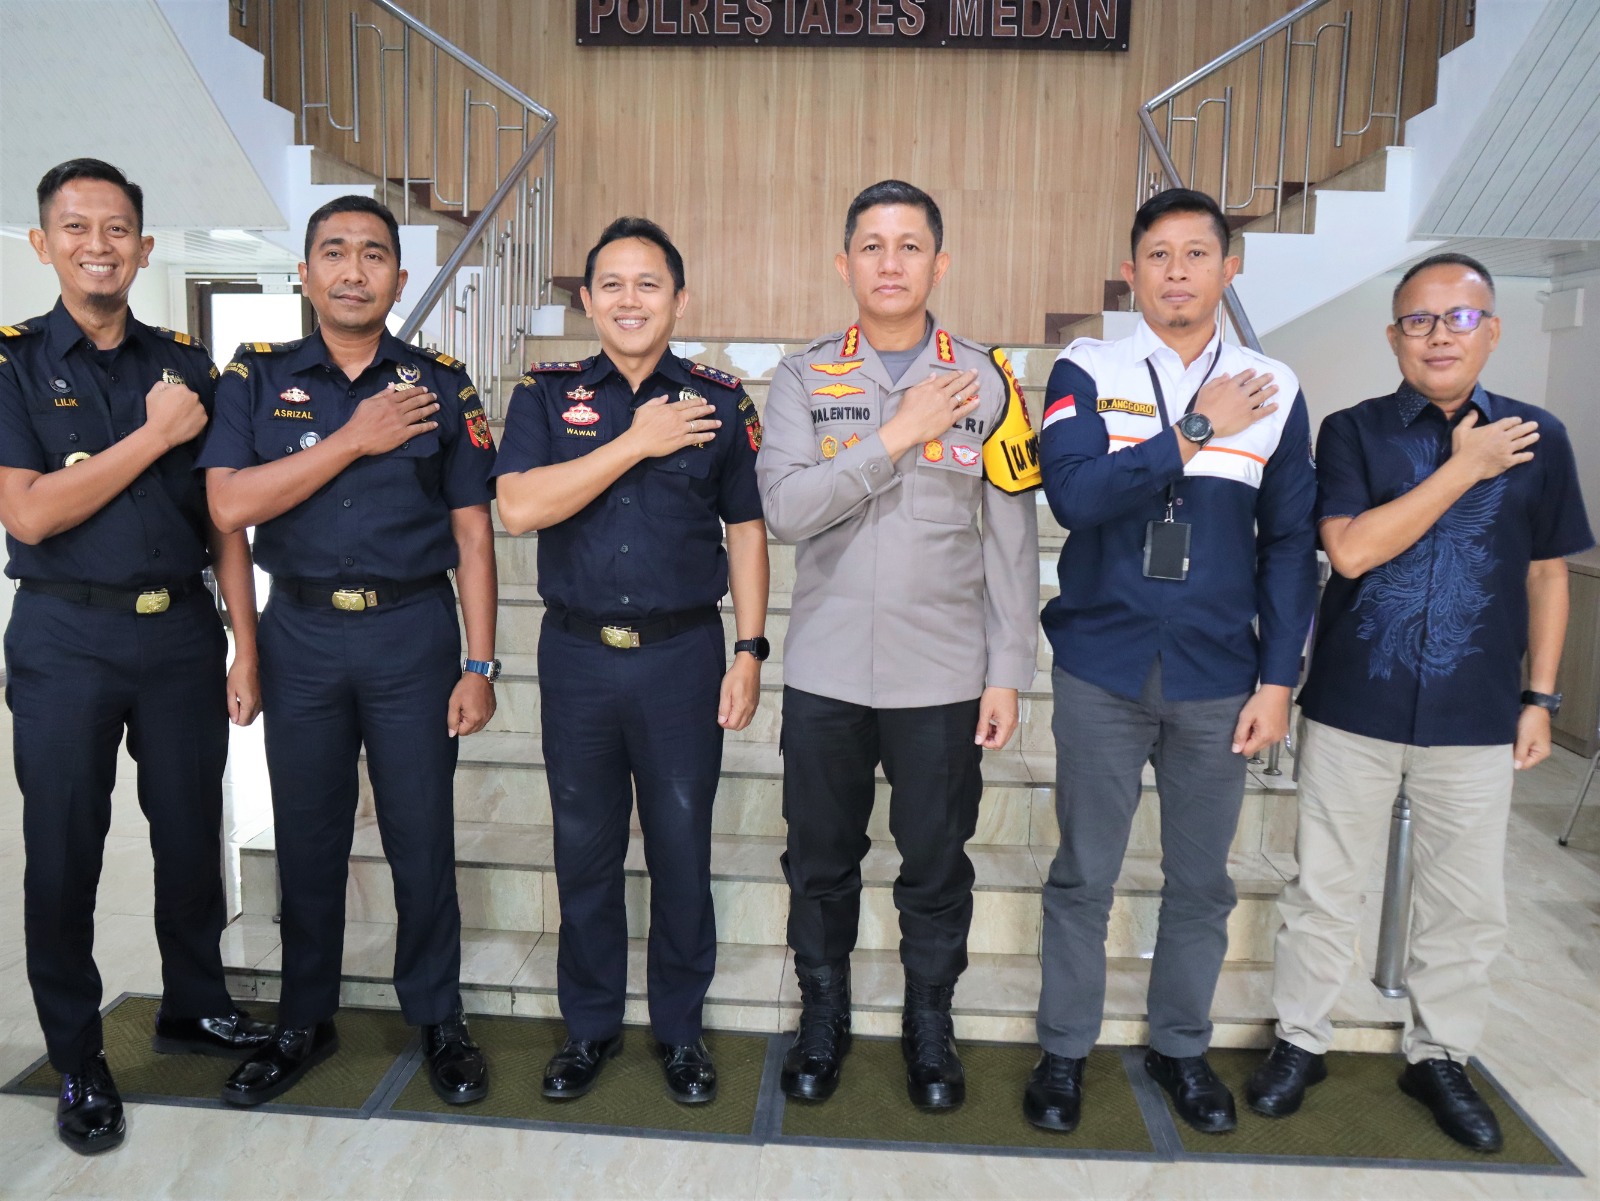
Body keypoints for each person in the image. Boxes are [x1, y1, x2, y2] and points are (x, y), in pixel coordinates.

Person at [1246, 253, 1593, 1151]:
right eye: (1420, 319)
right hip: (1355, 705)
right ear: (1394, 333)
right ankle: (1300, 1039)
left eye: (1460, 317)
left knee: (1466, 903)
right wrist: (1466, 466)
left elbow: (1548, 575)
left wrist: (1540, 696)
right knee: (1325, 888)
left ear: (1494, 328)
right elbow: (1354, 552)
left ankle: (1440, 1054)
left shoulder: (1540, 437)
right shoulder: (1355, 432)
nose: (1440, 335)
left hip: (1478, 714)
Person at [1028, 187, 1318, 1135]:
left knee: (1202, 881)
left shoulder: (1274, 391)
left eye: (1198, 254)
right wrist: (1194, 428)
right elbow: (1073, 493)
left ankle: (1180, 1047)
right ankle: (1063, 1049)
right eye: (1159, 255)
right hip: (1101, 667)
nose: (1178, 272)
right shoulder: (1087, 367)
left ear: (1230, 268)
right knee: (1085, 872)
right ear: (1132, 271)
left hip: (1217, 678)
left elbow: (1288, 546)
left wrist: (1278, 680)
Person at [198, 195, 498, 1108]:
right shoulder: (254, 376)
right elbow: (228, 509)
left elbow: (475, 535)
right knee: (312, 834)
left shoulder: (441, 383)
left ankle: (437, 1016)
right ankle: (302, 1017)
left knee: (421, 836)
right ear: (305, 272)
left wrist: (480, 664)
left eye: (373, 255)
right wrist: (245, 650)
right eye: (334, 252)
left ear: (400, 279)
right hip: (302, 636)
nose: (353, 270)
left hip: (414, 632)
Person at [0, 158, 272, 1154]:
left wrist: (245, 641)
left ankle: (193, 1002)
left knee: (191, 830)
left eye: (116, 228)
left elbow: (224, 522)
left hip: (181, 635)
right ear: (43, 244)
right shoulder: (15, 364)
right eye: (76, 228)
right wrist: (154, 437)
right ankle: (78, 1058)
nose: (98, 244)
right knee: (65, 852)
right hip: (66, 635)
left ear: (144, 247)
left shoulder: (191, 366)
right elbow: (28, 508)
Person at [757, 180, 1041, 1111]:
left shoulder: (989, 381)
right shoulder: (802, 378)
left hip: (946, 675)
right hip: (829, 671)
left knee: (936, 860)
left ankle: (929, 1022)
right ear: (845, 264)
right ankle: (823, 1016)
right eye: (871, 246)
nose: (890, 262)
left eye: (909, 246)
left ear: (939, 263)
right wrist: (896, 436)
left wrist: (1009, 672)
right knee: (821, 858)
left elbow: (1010, 539)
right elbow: (787, 511)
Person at [493, 217, 768, 1105]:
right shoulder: (544, 395)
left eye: (649, 284)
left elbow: (748, 531)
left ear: (679, 299)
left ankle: (681, 1031)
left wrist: (752, 648)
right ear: (586, 300)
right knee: (584, 847)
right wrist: (637, 442)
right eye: (611, 283)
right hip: (576, 656)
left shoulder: (723, 402)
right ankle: (590, 1027)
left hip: (683, 656)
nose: (630, 299)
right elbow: (520, 508)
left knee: (684, 847)